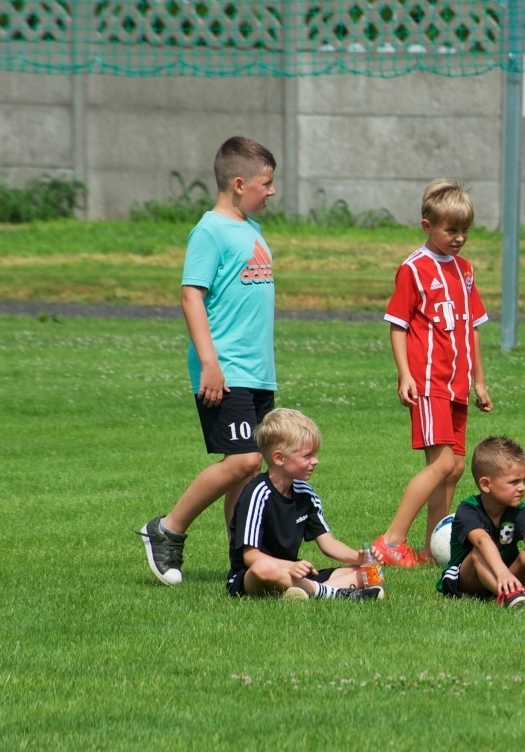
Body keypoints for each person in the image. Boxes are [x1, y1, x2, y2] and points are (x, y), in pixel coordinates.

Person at [140, 136, 281, 586]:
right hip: (225, 368)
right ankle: (167, 529)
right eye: (266, 183)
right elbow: (190, 295)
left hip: (256, 371)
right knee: (241, 461)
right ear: (239, 184)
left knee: (250, 465)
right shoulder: (209, 231)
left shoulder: (251, 229)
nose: (272, 192)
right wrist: (210, 363)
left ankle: (242, 559)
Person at [370, 179, 492, 569]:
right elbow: (398, 325)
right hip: (427, 382)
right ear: (427, 226)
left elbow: (472, 327)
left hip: (456, 384)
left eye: (464, 231)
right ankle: (390, 541)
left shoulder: (465, 270)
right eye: (450, 230)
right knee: (440, 464)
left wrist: (479, 381)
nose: (458, 239)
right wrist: (404, 374)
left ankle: (433, 546)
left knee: (454, 466)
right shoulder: (413, 269)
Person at [227, 408, 383, 601]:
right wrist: (289, 566)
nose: (315, 461)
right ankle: (334, 593)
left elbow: (328, 543)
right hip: (252, 577)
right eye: (307, 455)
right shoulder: (257, 493)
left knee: (362, 572)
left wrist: (360, 558)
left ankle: (307, 592)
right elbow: (250, 557)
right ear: (279, 458)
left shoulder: (305, 492)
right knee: (264, 569)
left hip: (292, 573)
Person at [438, 436, 525, 607]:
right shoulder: (468, 510)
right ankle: (507, 594)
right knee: (477, 553)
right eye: (514, 482)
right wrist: (502, 573)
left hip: (506, 575)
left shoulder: (520, 510)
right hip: (468, 581)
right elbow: (482, 541)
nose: (522, 487)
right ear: (486, 484)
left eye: (524, 480)